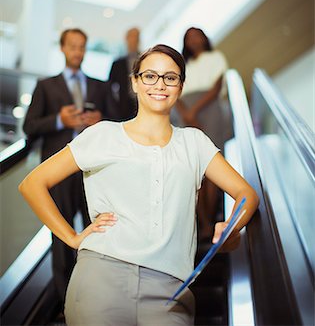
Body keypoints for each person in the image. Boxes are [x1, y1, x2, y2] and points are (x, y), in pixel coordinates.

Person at [19, 44, 259, 326]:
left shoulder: (194, 142)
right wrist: (72, 238)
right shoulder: (103, 134)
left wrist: (231, 226)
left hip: (171, 291)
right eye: (150, 76)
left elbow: (246, 194)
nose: (160, 84)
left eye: (170, 77)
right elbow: (33, 183)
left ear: (180, 86)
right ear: (134, 82)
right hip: (101, 278)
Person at [23, 28, 109, 305]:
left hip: (94, 172)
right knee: (61, 238)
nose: (77, 52)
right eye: (72, 46)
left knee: (98, 233)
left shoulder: (100, 85)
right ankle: (65, 303)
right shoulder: (46, 86)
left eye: (82, 46)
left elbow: (121, 121)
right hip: (58, 172)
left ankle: (97, 296)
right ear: (62, 48)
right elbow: (29, 127)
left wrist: (102, 120)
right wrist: (59, 120)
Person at [176, 27, 232, 240]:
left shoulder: (215, 57)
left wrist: (194, 111)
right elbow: (176, 89)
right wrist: (185, 113)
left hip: (209, 109)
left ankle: (210, 220)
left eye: (196, 35)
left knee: (212, 167)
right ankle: (204, 223)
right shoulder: (183, 64)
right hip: (184, 112)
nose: (193, 40)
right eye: (188, 36)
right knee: (193, 168)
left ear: (204, 38)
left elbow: (217, 87)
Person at [108, 26, 140, 120]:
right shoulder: (117, 63)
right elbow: (110, 86)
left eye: (136, 37)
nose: (133, 40)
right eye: (131, 37)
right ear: (126, 39)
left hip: (142, 101)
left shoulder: (145, 60)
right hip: (123, 105)